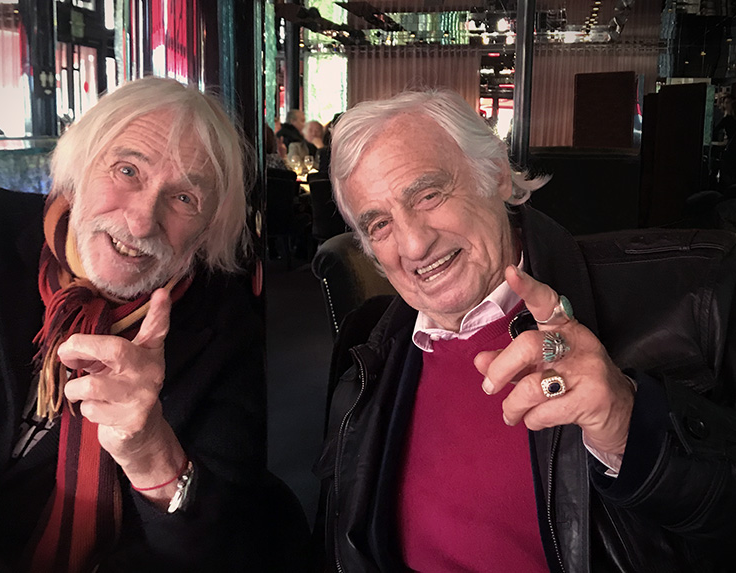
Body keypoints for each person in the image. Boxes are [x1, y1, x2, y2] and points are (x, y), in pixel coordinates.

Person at [0, 77, 307, 571]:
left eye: (184, 199)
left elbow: (226, 543)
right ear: (79, 166)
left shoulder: (224, 320)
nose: (141, 221)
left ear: (206, 229)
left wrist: (152, 452)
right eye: (127, 170)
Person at [315, 88, 736, 571]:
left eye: (428, 195)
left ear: (495, 173)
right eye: (380, 225)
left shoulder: (695, 294)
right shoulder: (367, 351)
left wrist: (631, 425)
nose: (413, 245)